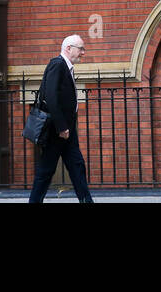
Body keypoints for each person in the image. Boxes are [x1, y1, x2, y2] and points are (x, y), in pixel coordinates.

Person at [28, 34, 94, 203]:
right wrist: (61, 127)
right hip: (57, 131)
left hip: (66, 130)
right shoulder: (57, 65)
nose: (83, 53)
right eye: (81, 49)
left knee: (77, 166)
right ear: (68, 48)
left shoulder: (66, 67)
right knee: (46, 170)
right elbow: (51, 97)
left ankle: (86, 200)